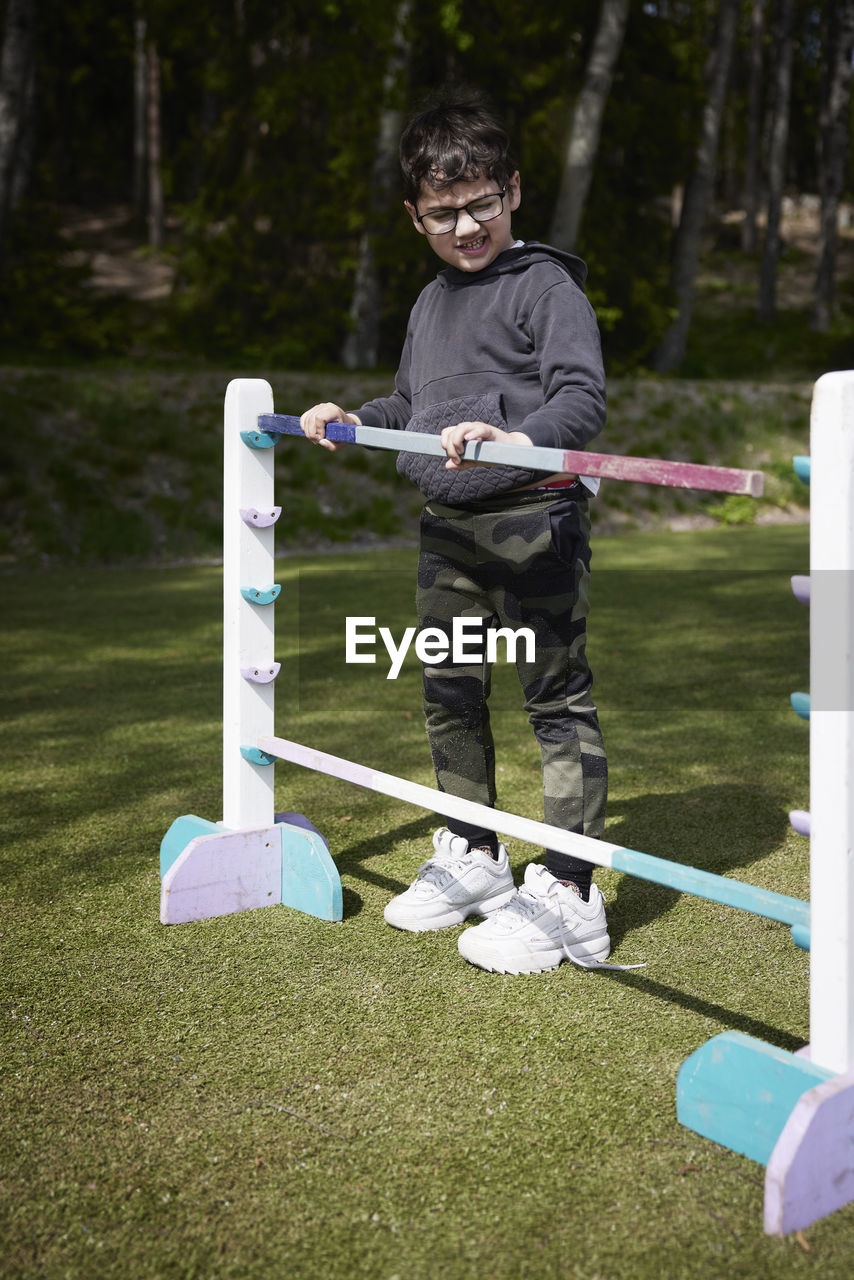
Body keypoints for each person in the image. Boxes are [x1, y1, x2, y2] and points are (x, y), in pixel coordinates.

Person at [299, 93, 611, 974]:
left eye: (482, 203)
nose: (466, 225)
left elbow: (580, 399)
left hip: (533, 518)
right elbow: (412, 406)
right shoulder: (429, 304)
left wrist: (519, 439)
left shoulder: (546, 285)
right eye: (444, 213)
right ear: (416, 216)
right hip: (447, 528)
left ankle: (573, 890)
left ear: (513, 190)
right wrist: (350, 417)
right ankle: (474, 856)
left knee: (554, 701)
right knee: (448, 694)